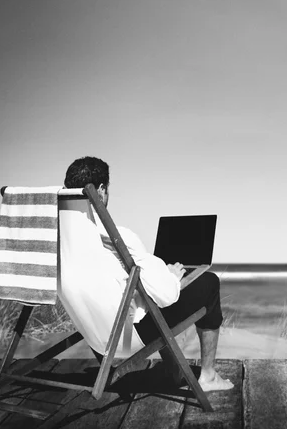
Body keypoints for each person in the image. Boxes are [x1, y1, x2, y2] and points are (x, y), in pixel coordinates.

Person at [63, 156, 233, 392]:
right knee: (209, 282)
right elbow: (165, 296)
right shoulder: (117, 237)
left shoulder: (62, 244)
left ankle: (176, 372)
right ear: (100, 190)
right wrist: (171, 276)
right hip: (129, 336)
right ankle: (208, 376)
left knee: (151, 291)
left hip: (94, 333)